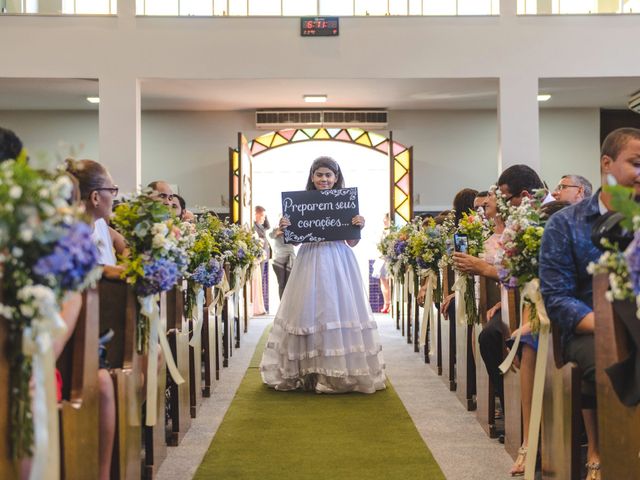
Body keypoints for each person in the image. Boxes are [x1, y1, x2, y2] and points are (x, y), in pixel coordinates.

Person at [540, 127, 640, 480]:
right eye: (636, 163)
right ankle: (621, 458)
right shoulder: (565, 223)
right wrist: (607, 324)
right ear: (606, 163)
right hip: (588, 330)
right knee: (617, 361)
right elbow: (557, 299)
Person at [259, 156, 386, 394]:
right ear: (312, 177)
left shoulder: (346, 204)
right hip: (309, 258)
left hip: (339, 260)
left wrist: (359, 225)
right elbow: (295, 241)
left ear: (336, 178)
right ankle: (306, 372)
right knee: (306, 310)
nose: (324, 179)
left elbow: (352, 242)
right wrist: (287, 227)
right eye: (319, 174)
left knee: (336, 308)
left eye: (328, 175)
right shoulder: (300, 203)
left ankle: (336, 373)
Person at [66, 158, 127, 480]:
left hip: (100, 320)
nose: (115, 196)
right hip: (82, 329)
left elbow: (122, 245)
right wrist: (108, 270)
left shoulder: (102, 225)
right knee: (104, 383)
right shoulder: (64, 234)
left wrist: (129, 259)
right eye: (112, 190)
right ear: (94, 197)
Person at [269, 217, 296, 299]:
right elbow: (271, 235)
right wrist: (279, 230)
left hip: (290, 258)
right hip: (278, 259)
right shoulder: (276, 230)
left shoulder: (292, 230)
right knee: (281, 283)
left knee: (289, 284)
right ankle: (282, 304)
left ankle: (289, 303)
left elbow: (296, 242)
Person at [252, 206, 270, 315]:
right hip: (259, 257)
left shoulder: (261, 225)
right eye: (262, 215)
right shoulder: (254, 226)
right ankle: (258, 307)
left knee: (263, 282)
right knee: (260, 282)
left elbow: (268, 226)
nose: (264, 218)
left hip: (264, 257)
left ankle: (263, 306)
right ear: (256, 214)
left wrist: (265, 216)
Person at [371, 213, 391, 313]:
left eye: (385, 219)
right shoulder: (382, 231)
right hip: (382, 257)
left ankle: (390, 303)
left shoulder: (391, 231)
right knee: (383, 282)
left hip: (388, 258)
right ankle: (386, 303)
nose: (384, 221)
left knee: (389, 282)